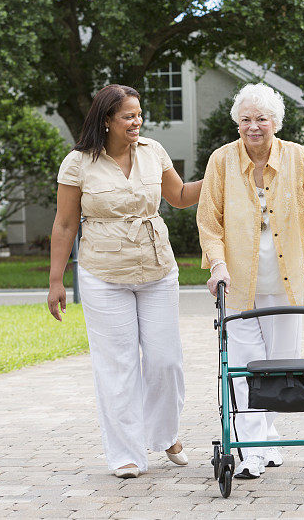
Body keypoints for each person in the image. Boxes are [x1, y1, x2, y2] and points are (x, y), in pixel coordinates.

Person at [196, 83, 304, 479]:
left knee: (280, 368)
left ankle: (267, 440)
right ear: (237, 123)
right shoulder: (221, 161)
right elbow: (209, 220)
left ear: (275, 123)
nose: (253, 127)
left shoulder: (298, 158)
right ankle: (252, 452)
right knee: (247, 369)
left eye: (261, 119)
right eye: (246, 119)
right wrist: (217, 265)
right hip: (238, 283)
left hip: (287, 285)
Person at [47, 84, 202, 479]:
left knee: (166, 361)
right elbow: (65, 224)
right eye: (128, 116)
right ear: (106, 121)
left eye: (138, 114)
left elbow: (181, 196)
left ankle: (165, 434)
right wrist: (55, 280)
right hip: (103, 273)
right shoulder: (78, 162)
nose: (137, 122)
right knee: (118, 367)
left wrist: (221, 174)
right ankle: (125, 454)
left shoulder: (153, 152)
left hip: (157, 267)